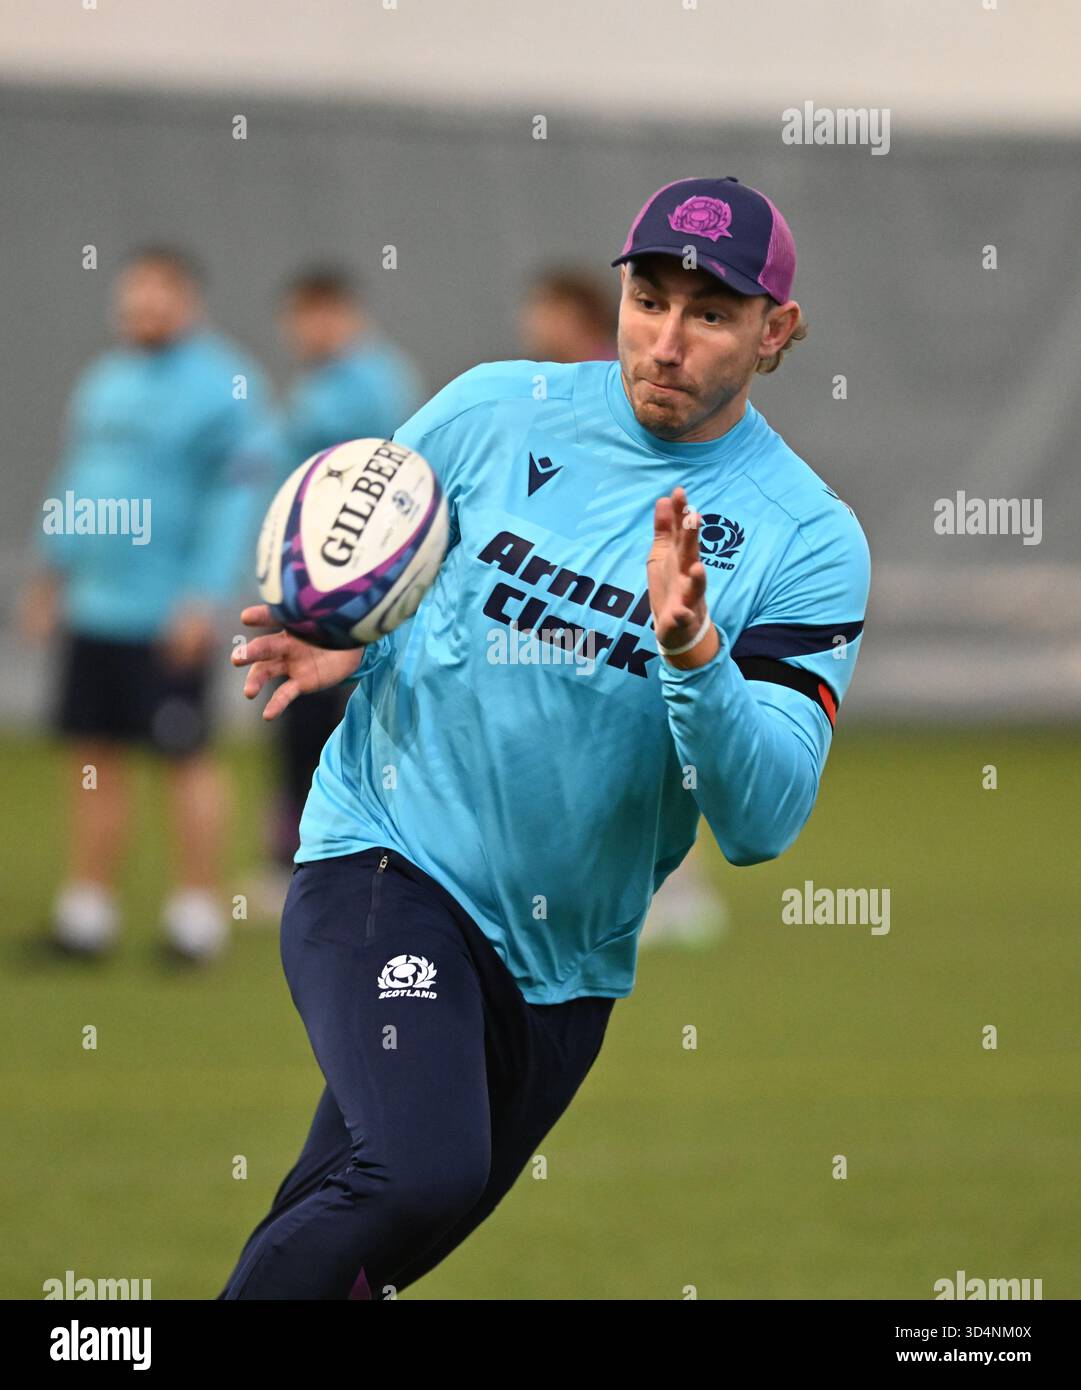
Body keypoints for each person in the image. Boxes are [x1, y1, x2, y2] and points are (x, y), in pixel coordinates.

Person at [220, 175, 869, 1298]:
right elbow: (378, 561)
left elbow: (761, 823)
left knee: (356, 1254)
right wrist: (342, 635)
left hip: (565, 965)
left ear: (777, 332)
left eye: (709, 314)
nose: (665, 341)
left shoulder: (807, 539)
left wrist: (693, 655)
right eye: (648, 298)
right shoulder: (490, 409)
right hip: (388, 861)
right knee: (417, 1170)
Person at [20, 247, 281, 962]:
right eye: (131, 299)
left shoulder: (224, 384)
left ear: (187, 301)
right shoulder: (104, 380)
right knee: (93, 756)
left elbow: (236, 495)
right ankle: (87, 915)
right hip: (95, 608)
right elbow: (81, 477)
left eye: (156, 299)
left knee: (184, 754)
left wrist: (203, 595)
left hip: (165, 612)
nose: (141, 312)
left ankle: (195, 919)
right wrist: (50, 571)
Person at [519, 263, 725, 949]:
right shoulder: (563, 383)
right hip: (589, 591)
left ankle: (679, 889)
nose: (530, 324)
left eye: (543, 309)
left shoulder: (618, 383)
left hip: (630, 587)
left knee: (651, 740)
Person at [252, 268, 424, 912]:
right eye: (298, 316)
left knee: (350, 717)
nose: (307, 330)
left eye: (319, 314)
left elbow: (400, 484)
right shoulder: (312, 385)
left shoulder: (379, 383)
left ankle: (353, 857)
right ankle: (293, 855)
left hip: (356, 586)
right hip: (306, 581)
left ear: (347, 314)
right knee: (296, 712)